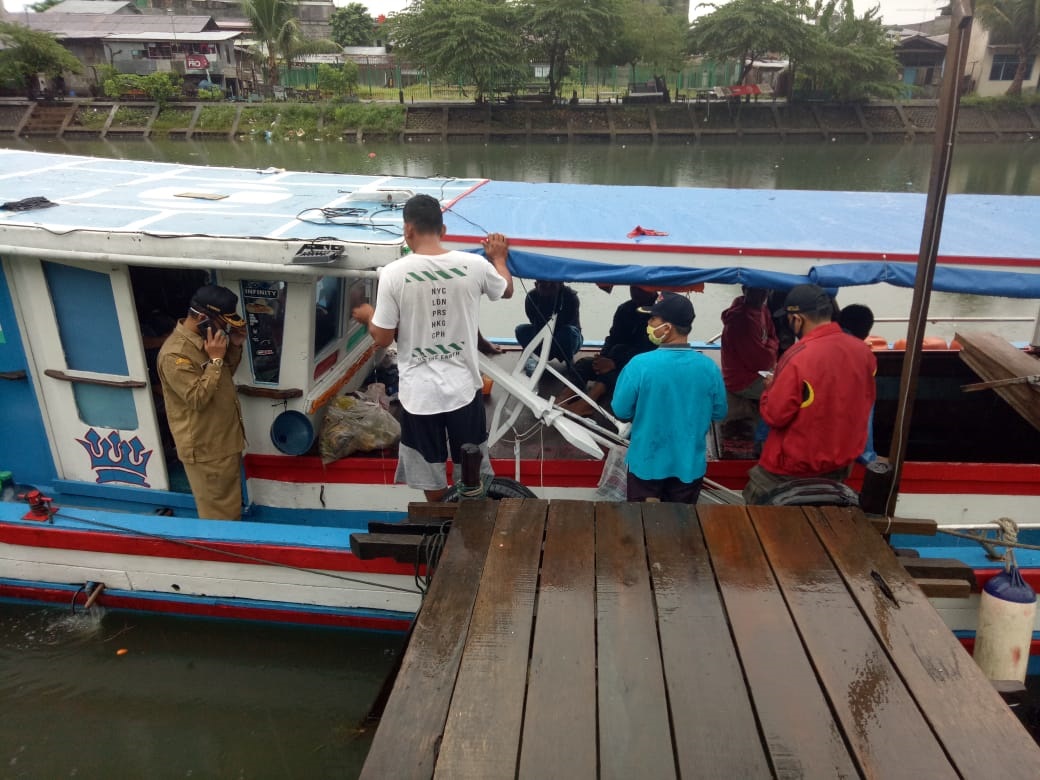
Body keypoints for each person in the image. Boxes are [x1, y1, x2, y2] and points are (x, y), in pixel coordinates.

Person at [351, 194, 513, 501]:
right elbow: (506, 290)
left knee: (430, 473)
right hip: (464, 389)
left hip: (418, 396)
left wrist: (368, 316)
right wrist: (500, 259)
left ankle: (442, 526)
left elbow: (383, 338)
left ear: (407, 229)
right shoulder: (475, 264)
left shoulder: (393, 274)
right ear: (444, 230)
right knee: (472, 471)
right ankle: (474, 522)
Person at [743, 284, 876, 505]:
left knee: (755, 511)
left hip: (789, 469)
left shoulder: (798, 355)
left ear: (797, 318)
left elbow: (775, 415)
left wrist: (770, 388)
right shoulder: (864, 354)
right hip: (839, 467)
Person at [612, 293, 727, 503]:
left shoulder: (639, 365)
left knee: (644, 524)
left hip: (646, 463)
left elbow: (621, 410)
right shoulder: (709, 367)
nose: (648, 323)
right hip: (688, 465)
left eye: (653, 319)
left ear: (668, 327)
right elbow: (719, 412)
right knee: (680, 525)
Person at [157, 285, 247, 520]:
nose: (226, 327)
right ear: (203, 319)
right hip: (207, 449)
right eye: (223, 322)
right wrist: (215, 360)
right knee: (219, 515)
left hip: (224, 440)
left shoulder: (208, 341)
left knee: (230, 506)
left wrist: (234, 346)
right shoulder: (175, 355)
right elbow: (197, 398)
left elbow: (223, 378)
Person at [563, 286, 658, 417]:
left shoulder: (660, 313)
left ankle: (587, 404)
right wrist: (601, 358)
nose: (635, 292)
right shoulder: (625, 309)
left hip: (641, 366)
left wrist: (615, 363)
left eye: (641, 289)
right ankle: (563, 399)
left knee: (613, 373)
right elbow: (613, 337)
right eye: (633, 287)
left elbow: (648, 350)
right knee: (584, 364)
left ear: (653, 290)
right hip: (616, 357)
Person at [719, 287, 778, 450]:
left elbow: (774, 338)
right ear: (745, 290)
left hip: (758, 372)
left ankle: (766, 440)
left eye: (763, 290)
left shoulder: (763, 310)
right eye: (755, 290)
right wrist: (770, 349)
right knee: (787, 393)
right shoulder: (741, 319)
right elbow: (762, 360)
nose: (761, 294)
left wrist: (769, 348)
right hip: (742, 381)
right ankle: (765, 444)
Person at [838, 303, 879, 464]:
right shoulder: (862, 355)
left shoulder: (814, 346)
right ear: (865, 332)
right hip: (842, 450)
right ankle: (865, 454)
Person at [515, 279, 583, 375]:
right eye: (543, 285)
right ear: (536, 285)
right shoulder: (532, 296)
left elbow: (569, 322)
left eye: (552, 285)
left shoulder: (570, 296)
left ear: (560, 284)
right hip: (541, 332)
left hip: (566, 336)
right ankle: (533, 355)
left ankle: (569, 360)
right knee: (520, 330)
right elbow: (533, 321)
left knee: (568, 332)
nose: (547, 287)